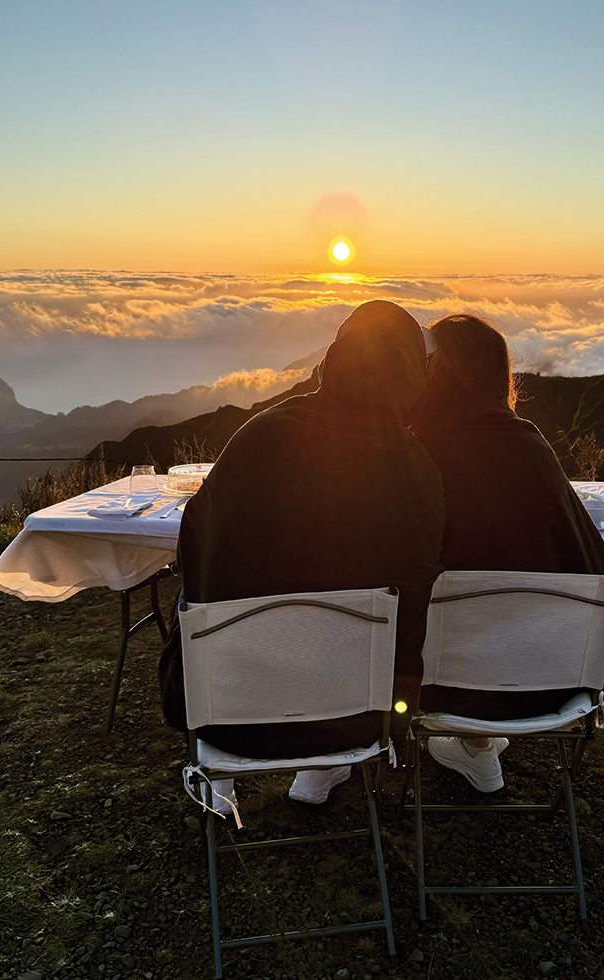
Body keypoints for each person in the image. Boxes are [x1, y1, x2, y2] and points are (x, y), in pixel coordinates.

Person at [411, 314, 604, 792]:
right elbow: (580, 546)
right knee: (508, 601)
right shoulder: (528, 446)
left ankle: (469, 747)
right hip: (548, 679)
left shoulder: (414, 453)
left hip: (433, 682)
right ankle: (479, 749)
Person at [159, 300, 444, 806]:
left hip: (227, 713)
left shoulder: (257, 436)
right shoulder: (415, 472)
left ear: (332, 359)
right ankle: (322, 771)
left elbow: (196, 552)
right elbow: (414, 599)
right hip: (354, 720)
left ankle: (217, 774)